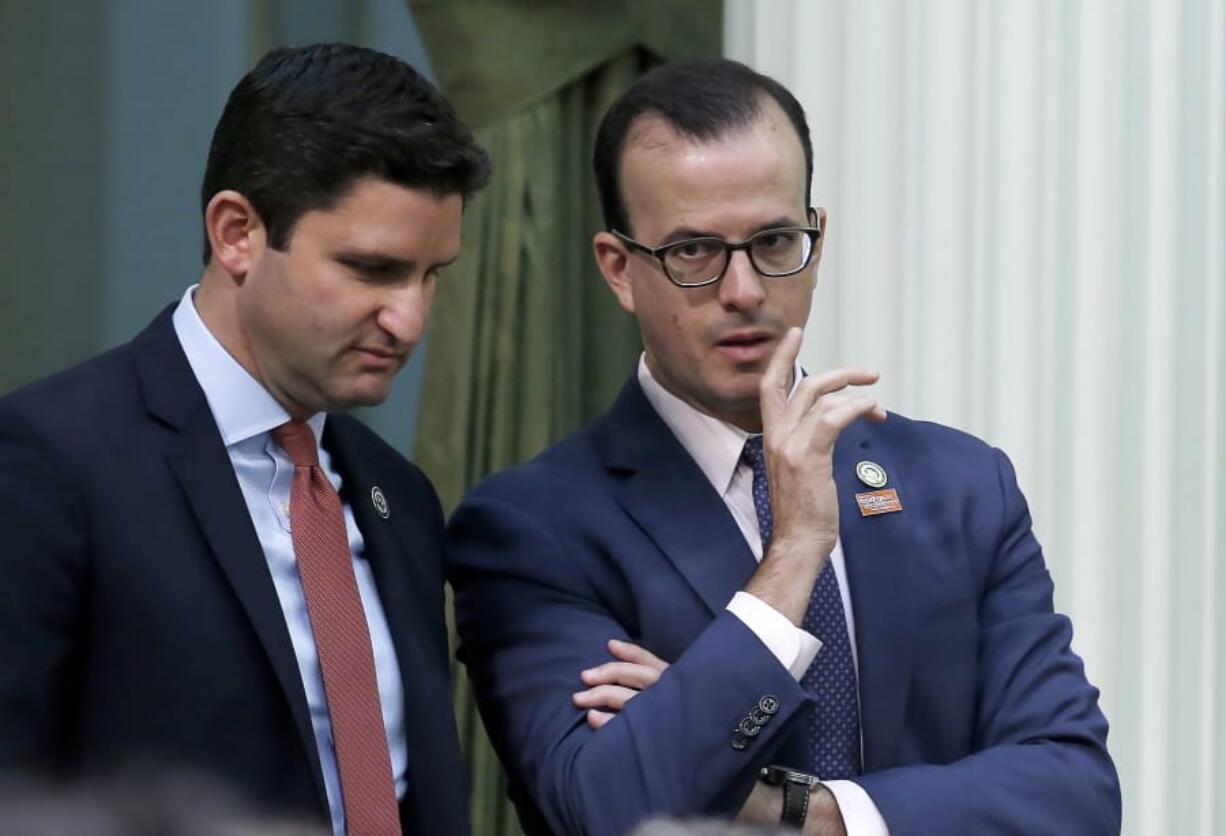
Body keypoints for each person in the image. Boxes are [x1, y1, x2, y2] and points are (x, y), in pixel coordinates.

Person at [447, 58, 1119, 836]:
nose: (744, 290)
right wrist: (795, 550)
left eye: (773, 240)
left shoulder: (962, 485)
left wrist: (798, 811)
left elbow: (1076, 792)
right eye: (693, 251)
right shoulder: (534, 527)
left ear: (817, 237)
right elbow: (604, 807)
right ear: (620, 269)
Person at [0, 42, 489, 836]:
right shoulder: (47, 465)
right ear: (237, 233)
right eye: (372, 269)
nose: (410, 319)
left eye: (432, 275)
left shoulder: (397, 496)